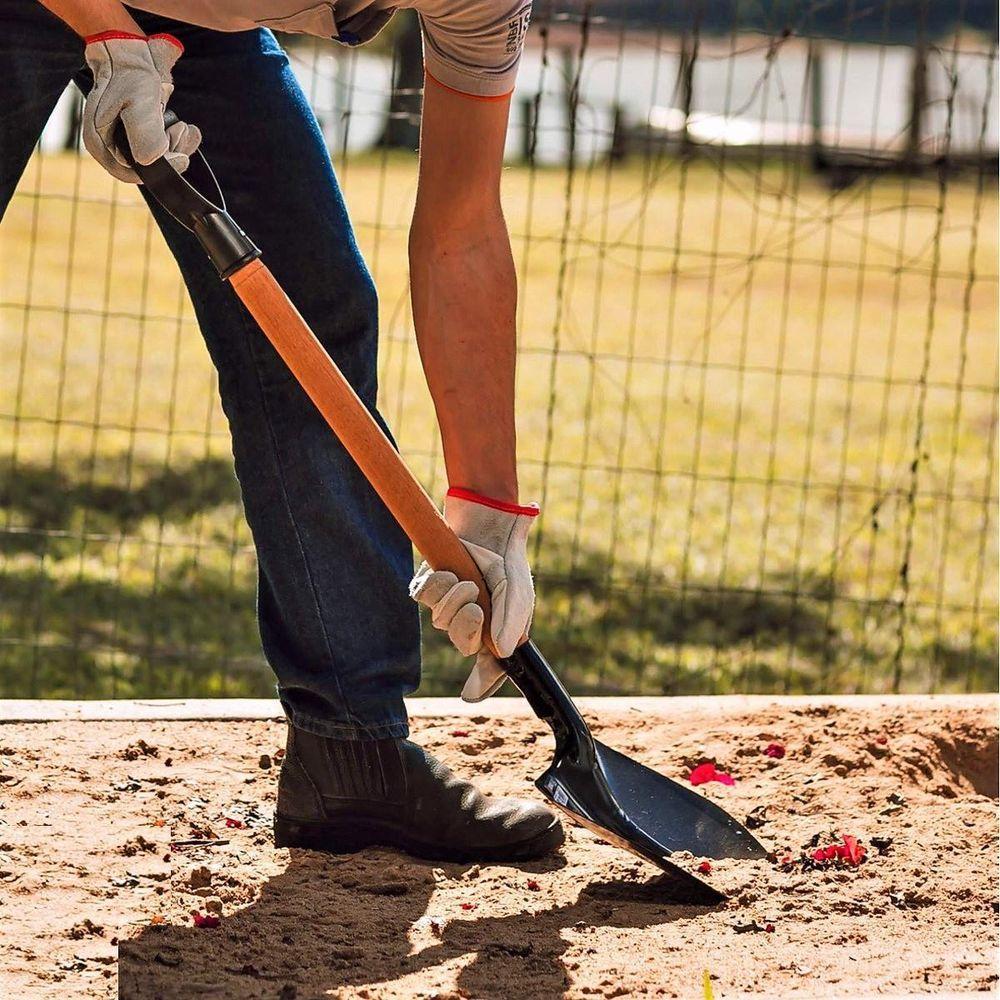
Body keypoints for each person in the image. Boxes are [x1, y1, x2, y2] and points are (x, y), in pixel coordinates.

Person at [4, 0, 563, 862]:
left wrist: (488, 513)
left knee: (311, 319)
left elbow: (463, 228)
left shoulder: (483, 7)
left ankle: (352, 753)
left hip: (194, 19)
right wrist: (108, 34)